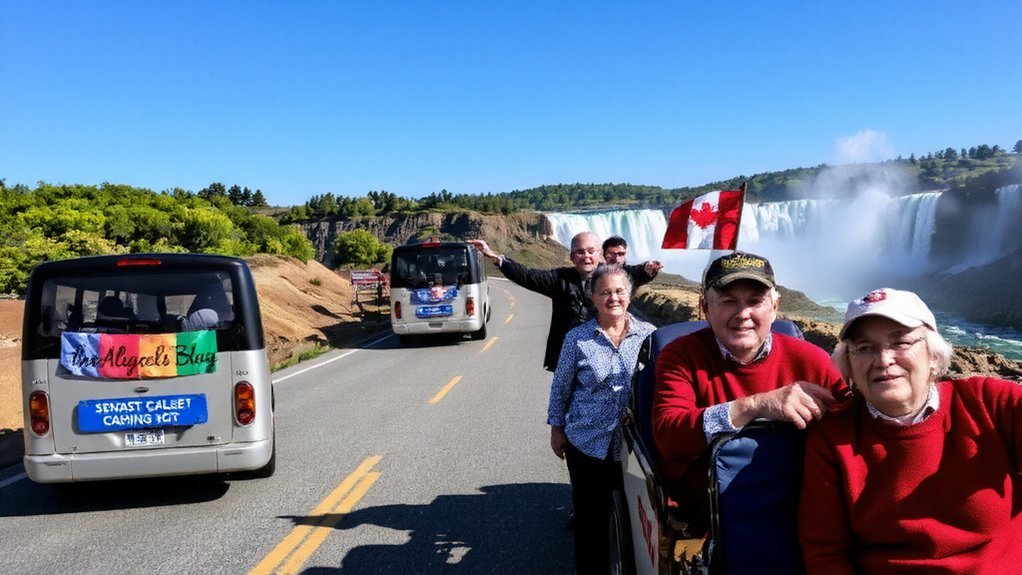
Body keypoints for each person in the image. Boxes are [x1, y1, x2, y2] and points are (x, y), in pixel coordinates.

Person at [799, 288, 1022, 574]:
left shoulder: (989, 402)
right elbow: (826, 553)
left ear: (933, 355)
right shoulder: (833, 436)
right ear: (849, 366)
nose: (884, 360)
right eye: (865, 348)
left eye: (901, 342)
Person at [651, 250, 846, 533]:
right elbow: (669, 436)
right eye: (728, 301)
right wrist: (756, 406)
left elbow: (851, 430)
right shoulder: (680, 357)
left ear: (775, 307)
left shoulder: (812, 360)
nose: (743, 315)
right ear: (706, 308)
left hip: (797, 513)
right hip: (705, 519)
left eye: (755, 301)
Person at [547, 264, 655, 575]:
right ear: (593, 297)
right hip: (586, 443)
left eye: (620, 291)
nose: (613, 298)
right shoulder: (577, 339)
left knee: (635, 522)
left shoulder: (649, 336)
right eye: (605, 292)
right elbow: (560, 388)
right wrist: (557, 429)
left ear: (630, 295)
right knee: (590, 523)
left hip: (634, 448)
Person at [469, 232, 662, 372]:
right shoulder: (559, 279)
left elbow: (632, 273)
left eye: (591, 251)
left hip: (607, 354)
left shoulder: (611, 277)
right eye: (580, 252)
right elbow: (527, 276)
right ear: (572, 257)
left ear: (599, 254)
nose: (586, 256)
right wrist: (494, 257)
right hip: (569, 358)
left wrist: (647, 270)